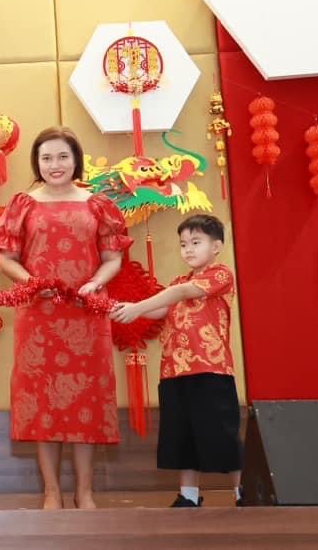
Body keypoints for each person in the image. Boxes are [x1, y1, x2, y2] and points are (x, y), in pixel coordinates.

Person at [0, 126, 131, 510]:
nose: (55, 164)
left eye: (62, 156)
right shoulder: (24, 204)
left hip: (87, 314)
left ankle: (84, 492)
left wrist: (95, 283)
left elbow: (113, 258)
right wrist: (32, 283)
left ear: (75, 160)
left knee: (86, 400)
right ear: (37, 162)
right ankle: (51, 492)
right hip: (39, 315)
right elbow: (6, 259)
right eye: (46, 158)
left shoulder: (97, 204)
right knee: (43, 402)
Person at [110, 214, 242, 508]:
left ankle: (242, 492)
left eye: (196, 242)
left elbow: (181, 294)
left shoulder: (221, 275)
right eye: (183, 244)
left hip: (211, 370)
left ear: (216, 246)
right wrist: (123, 308)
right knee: (183, 435)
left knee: (222, 434)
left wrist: (137, 307)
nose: (188, 249)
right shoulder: (179, 281)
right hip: (174, 372)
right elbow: (160, 310)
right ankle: (189, 495)